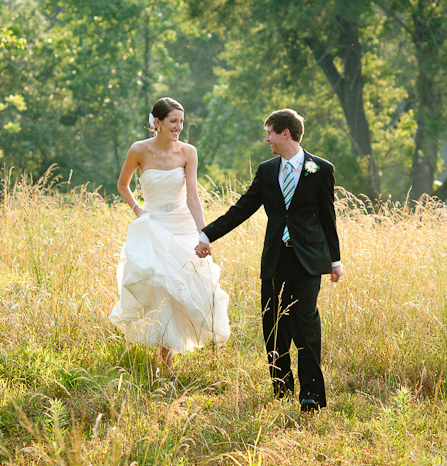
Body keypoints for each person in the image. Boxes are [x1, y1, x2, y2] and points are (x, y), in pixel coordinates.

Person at [195, 108, 342, 412]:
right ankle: (281, 389)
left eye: (270, 133)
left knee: (305, 324)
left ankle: (311, 395)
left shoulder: (321, 169)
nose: (267, 139)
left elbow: (329, 217)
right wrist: (207, 235)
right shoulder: (266, 170)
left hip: (309, 260)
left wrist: (335, 260)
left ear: (285, 133)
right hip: (275, 258)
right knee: (273, 325)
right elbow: (242, 208)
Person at [110, 97, 230, 375]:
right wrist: (139, 211)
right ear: (158, 123)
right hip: (152, 225)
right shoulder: (138, 150)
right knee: (161, 286)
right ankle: (165, 362)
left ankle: (199, 347)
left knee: (189, 283)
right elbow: (122, 184)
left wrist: (204, 232)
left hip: (182, 225)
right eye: (173, 121)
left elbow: (192, 195)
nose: (178, 127)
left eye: (181, 122)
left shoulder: (188, 152)